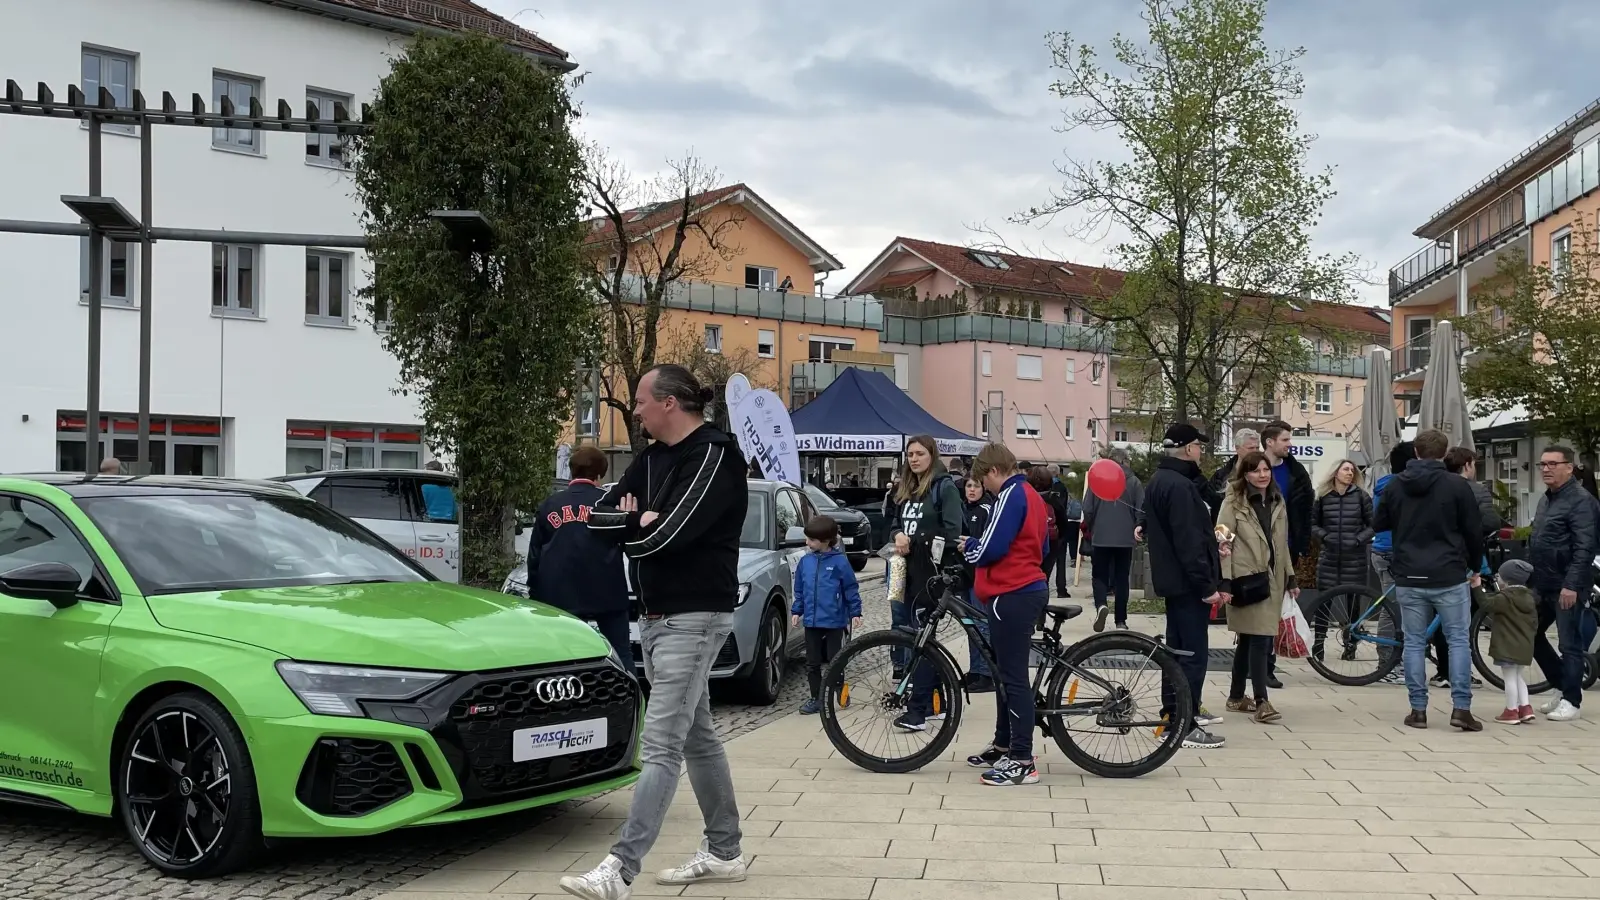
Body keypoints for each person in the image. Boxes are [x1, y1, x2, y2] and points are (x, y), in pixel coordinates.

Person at [564, 364, 750, 899]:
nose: (635, 409)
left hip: (694, 615)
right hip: (656, 614)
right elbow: (594, 518)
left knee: (662, 741)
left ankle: (620, 870)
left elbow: (663, 541)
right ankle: (725, 851)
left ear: (669, 403)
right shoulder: (649, 459)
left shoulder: (714, 457)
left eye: (641, 400)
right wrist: (636, 519)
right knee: (697, 736)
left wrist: (642, 523)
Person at [1371, 428, 1484, 732]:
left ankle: (1418, 710)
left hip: (1408, 573)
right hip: (1449, 573)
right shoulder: (1457, 486)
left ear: (1417, 453)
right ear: (1444, 454)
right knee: (1459, 640)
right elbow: (1474, 531)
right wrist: (1475, 567)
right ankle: (1461, 709)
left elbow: (1378, 522)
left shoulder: (1395, 487)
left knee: (1414, 642)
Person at [960, 442, 1051, 786]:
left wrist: (968, 546)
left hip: (1011, 592)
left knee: (1013, 678)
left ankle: (1022, 759)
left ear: (993, 472)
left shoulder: (1011, 495)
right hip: (1024, 588)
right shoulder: (1032, 496)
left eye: (984, 481)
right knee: (1004, 675)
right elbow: (1041, 547)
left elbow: (990, 546)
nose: (984, 488)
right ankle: (1004, 743)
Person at [1140, 423, 1226, 749]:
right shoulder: (1179, 486)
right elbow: (1190, 541)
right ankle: (1184, 724)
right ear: (1189, 449)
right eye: (1198, 447)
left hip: (1173, 582)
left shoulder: (1161, 480)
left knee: (1176, 652)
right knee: (1192, 654)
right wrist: (1207, 585)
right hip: (1189, 584)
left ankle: (1171, 716)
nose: (1201, 452)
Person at [526, 446, 631, 671]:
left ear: (572, 470)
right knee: (620, 652)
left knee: (562, 655)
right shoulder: (607, 504)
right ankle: (632, 700)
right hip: (607, 591)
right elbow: (627, 543)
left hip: (559, 592)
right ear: (600, 473)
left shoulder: (550, 505)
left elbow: (534, 554)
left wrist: (535, 591)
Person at [1216, 451, 1297, 723]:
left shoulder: (1277, 500)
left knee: (1250, 639)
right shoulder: (1233, 502)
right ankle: (1262, 701)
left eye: (1266, 470)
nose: (1262, 475)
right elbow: (1222, 542)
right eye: (1255, 470)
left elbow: (1282, 543)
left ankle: (1236, 696)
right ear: (1245, 474)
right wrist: (1225, 580)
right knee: (1260, 639)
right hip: (1246, 579)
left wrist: (1291, 576)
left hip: (1272, 579)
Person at [890, 434, 962, 731]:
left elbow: (953, 530)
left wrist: (916, 539)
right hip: (903, 571)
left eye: (920, 453)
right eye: (910, 454)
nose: (914, 459)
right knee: (914, 636)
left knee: (922, 639)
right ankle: (935, 702)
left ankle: (918, 708)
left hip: (930, 574)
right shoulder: (905, 488)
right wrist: (897, 535)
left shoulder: (944, 488)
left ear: (932, 455)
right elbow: (894, 522)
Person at [1528, 444, 1600, 722]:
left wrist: (1571, 585)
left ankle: (1572, 700)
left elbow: (1585, 547)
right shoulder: (1547, 499)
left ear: (1569, 468)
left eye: (1553, 464)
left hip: (1568, 584)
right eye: (1543, 464)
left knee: (1569, 643)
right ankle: (1561, 685)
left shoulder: (1582, 501)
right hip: (1542, 582)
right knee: (1531, 634)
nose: (1546, 469)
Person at [1428, 447, 1500, 688]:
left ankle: (1443, 671)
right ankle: (1460, 674)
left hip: (1434, 560)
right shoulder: (1476, 490)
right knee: (1461, 622)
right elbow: (1491, 522)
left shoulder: (1434, 486)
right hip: (1466, 562)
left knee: (1439, 618)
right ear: (1468, 465)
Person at [791, 516, 863, 715]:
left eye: (811, 540)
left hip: (834, 620)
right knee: (812, 662)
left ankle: (838, 689)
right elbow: (800, 589)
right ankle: (816, 698)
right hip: (812, 621)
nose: (807, 543)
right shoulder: (805, 562)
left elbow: (850, 588)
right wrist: (797, 610)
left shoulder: (840, 562)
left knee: (835, 659)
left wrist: (855, 611)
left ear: (825, 541)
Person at [1261, 422, 1313, 690]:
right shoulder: (1254, 469)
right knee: (1255, 609)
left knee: (1276, 609)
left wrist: (1301, 545)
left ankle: (1267, 667)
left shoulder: (1296, 473)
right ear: (1270, 442)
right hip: (1254, 551)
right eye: (1285, 440)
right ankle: (1251, 664)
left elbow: (1305, 510)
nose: (1289, 444)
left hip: (1285, 549)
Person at [1083, 447, 1143, 633]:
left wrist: (1092, 527)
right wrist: (1137, 526)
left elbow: (1087, 508)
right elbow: (1141, 509)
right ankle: (1121, 621)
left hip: (1101, 535)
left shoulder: (1098, 480)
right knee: (1121, 578)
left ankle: (1101, 604)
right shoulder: (1134, 482)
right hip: (1125, 537)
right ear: (1125, 462)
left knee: (1099, 574)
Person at [1482, 559, 1539, 725]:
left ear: (1507, 580)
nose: (1497, 579)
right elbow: (1534, 624)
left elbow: (1486, 604)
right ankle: (1526, 707)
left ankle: (1511, 711)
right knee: (1518, 676)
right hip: (1524, 647)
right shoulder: (1530, 598)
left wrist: (1476, 588)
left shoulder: (1505, 598)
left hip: (1506, 647)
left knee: (1509, 679)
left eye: (1499, 576)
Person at [1311, 459, 1373, 591]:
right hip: (1329, 559)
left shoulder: (1362, 496)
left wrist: (1357, 540)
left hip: (1355, 561)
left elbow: (1373, 526)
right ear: (1335, 473)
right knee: (1324, 603)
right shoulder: (1322, 496)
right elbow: (1312, 524)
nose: (1350, 473)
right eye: (1346, 469)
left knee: (1353, 605)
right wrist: (1325, 536)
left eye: (1352, 470)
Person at [960, 476, 997, 692]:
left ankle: (986, 673)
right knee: (970, 624)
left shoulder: (985, 510)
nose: (972, 490)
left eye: (976, 486)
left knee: (981, 624)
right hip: (966, 574)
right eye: (968, 486)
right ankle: (975, 670)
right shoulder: (965, 508)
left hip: (979, 575)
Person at [1030, 466, 1072, 598]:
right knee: (1045, 577)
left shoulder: (1026, 499)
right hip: (1051, 542)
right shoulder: (1053, 499)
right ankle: (1042, 609)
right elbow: (1064, 522)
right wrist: (1060, 540)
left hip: (1031, 543)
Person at [1207, 428, 1261, 515]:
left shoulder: (1265, 474)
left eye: (1257, 448)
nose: (1255, 451)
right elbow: (1213, 504)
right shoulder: (1221, 476)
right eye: (1251, 448)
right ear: (1237, 448)